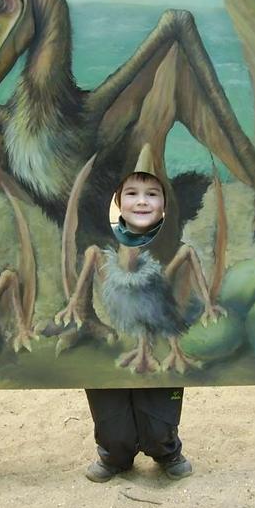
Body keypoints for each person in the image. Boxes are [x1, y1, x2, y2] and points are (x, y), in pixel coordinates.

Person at [85, 170, 193, 482]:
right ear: (118, 201)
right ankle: (113, 455)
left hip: (157, 333)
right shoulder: (102, 240)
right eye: (132, 193)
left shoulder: (169, 243)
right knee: (111, 417)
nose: (142, 201)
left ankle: (166, 450)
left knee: (158, 417)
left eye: (152, 194)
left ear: (164, 203)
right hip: (119, 332)